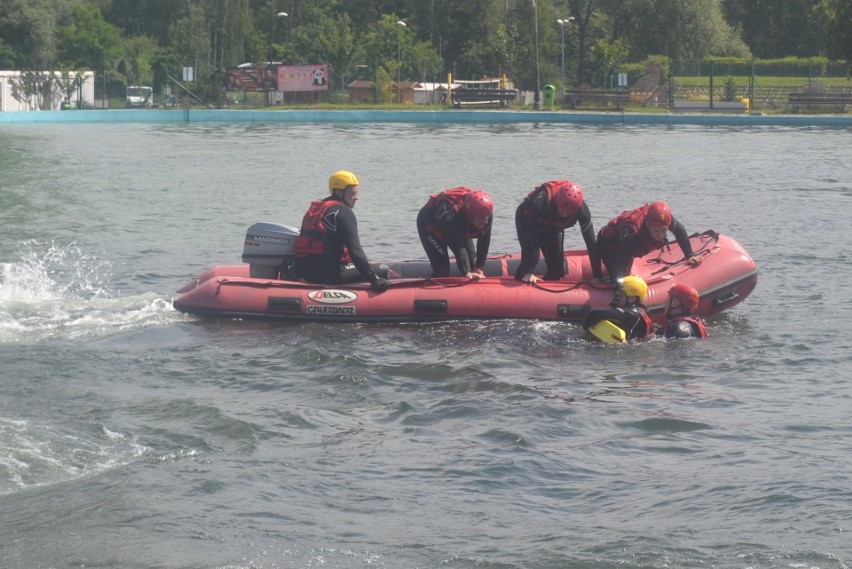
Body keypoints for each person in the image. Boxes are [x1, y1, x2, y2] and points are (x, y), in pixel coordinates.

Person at [294, 170, 390, 292]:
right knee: (383, 268)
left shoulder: (316, 210)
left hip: (306, 272)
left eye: (357, 193)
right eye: (352, 193)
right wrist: (374, 279)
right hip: (331, 274)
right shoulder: (344, 212)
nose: (357, 197)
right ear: (339, 192)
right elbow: (355, 251)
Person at [514, 179, 602, 283]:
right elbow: (530, 234)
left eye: (569, 213)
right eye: (563, 210)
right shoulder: (542, 202)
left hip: (551, 226)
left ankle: (546, 292)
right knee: (532, 257)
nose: (565, 215)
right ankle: (521, 279)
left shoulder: (582, 211)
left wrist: (597, 276)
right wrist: (529, 271)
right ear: (557, 202)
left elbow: (591, 242)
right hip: (528, 219)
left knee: (557, 268)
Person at [596, 201, 703, 283]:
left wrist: (690, 255)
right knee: (620, 281)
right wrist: (621, 281)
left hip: (629, 245)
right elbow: (624, 257)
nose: (661, 235)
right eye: (657, 230)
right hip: (609, 243)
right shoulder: (633, 231)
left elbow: (680, 230)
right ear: (648, 224)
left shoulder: (664, 220)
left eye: (664, 231)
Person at [417, 186, 494, 279]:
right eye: (481, 218)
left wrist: (480, 266)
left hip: (458, 226)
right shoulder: (450, 217)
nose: (485, 221)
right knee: (442, 271)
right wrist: (467, 272)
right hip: (430, 226)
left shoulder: (485, 213)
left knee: (472, 262)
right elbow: (458, 248)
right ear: (471, 215)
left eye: (487, 217)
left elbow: (484, 241)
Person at [583, 275, 654, 343]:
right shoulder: (643, 310)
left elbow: (592, 315)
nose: (617, 297)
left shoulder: (630, 314)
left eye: (620, 294)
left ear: (632, 298)